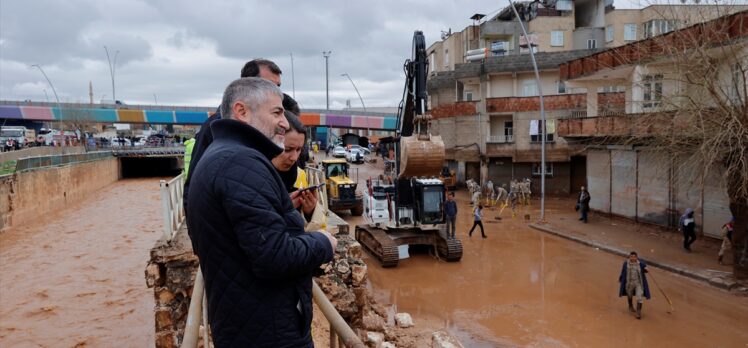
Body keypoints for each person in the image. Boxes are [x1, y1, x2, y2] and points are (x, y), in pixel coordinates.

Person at [186, 77, 336, 347]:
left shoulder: (221, 155)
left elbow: (243, 233)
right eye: (276, 112)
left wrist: (280, 209)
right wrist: (324, 242)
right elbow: (274, 256)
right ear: (242, 111)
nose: (283, 122)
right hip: (270, 332)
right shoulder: (241, 162)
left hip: (247, 325)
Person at [183, 58, 285, 208]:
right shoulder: (215, 126)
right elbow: (195, 181)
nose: (277, 92)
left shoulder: (270, 124)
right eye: (269, 85)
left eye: (279, 86)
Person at [618, 251, 651, 319]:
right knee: (629, 295)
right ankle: (630, 305)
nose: (632, 258)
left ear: (636, 257)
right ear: (629, 257)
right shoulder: (626, 264)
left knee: (639, 297)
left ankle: (638, 312)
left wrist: (646, 270)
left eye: (634, 257)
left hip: (638, 283)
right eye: (631, 257)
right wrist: (620, 279)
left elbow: (645, 269)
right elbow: (623, 272)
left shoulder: (641, 264)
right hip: (629, 283)